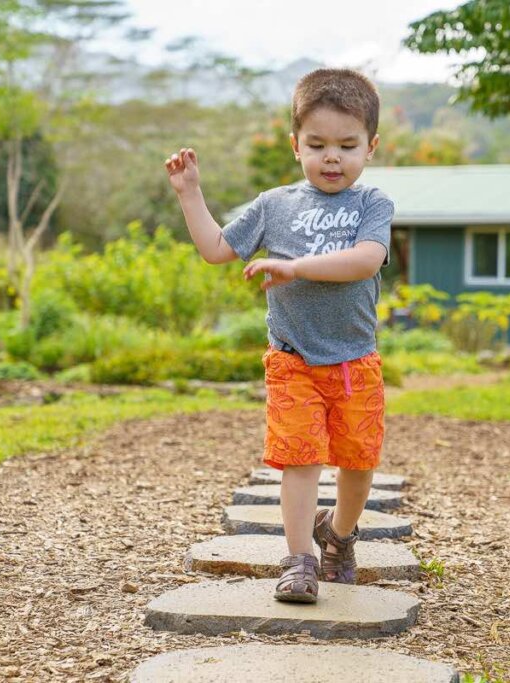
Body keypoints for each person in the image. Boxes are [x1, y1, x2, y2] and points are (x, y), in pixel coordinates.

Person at [164, 68, 393, 604]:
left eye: (346, 145)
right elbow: (218, 249)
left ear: (371, 147)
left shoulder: (372, 205)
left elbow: (366, 260)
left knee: (358, 466)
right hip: (291, 358)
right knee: (300, 458)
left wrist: (297, 267)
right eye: (317, 144)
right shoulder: (275, 204)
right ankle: (299, 562)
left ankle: (338, 535)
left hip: (355, 361)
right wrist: (190, 194)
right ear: (295, 146)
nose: (331, 157)